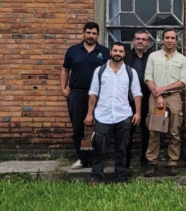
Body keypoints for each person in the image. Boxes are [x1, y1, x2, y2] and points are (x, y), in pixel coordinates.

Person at [85, 42, 143, 183]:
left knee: (122, 150)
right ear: (110, 52)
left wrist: (138, 113)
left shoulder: (130, 72)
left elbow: (137, 94)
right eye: (115, 50)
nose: (118, 53)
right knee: (100, 149)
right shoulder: (100, 71)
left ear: (124, 54)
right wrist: (89, 113)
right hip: (102, 116)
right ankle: (96, 178)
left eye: (120, 51)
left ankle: (120, 179)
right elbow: (93, 93)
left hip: (123, 116)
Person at [60, 22, 110, 169]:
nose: (91, 36)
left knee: (99, 129)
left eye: (94, 33)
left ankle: (96, 159)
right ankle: (82, 159)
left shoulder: (105, 52)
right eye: (88, 33)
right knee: (79, 129)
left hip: (99, 96)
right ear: (83, 33)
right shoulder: (73, 51)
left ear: (98, 35)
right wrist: (63, 89)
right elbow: (65, 70)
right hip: (77, 94)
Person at [144, 29, 186, 177]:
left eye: (173, 38)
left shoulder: (182, 59)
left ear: (177, 41)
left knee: (174, 131)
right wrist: (158, 95)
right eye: (167, 37)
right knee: (154, 130)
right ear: (162, 39)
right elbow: (148, 77)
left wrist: (164, 89)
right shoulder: (153, 57)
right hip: (155, 96)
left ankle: (173, 163)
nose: (170, 40)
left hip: (174, 96)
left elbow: (183, 82)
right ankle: (152, 163)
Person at [123, 30, 151, 167]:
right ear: (133, 41)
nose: (140, 41)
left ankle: (145, 159)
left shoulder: (153, 58)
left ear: (148, 43)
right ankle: (126, 160)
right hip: (128, 100)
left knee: (147, 130)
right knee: (128, 130)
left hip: (148, 98)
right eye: (138, 39)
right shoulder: (125, 58)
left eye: (144, 39)